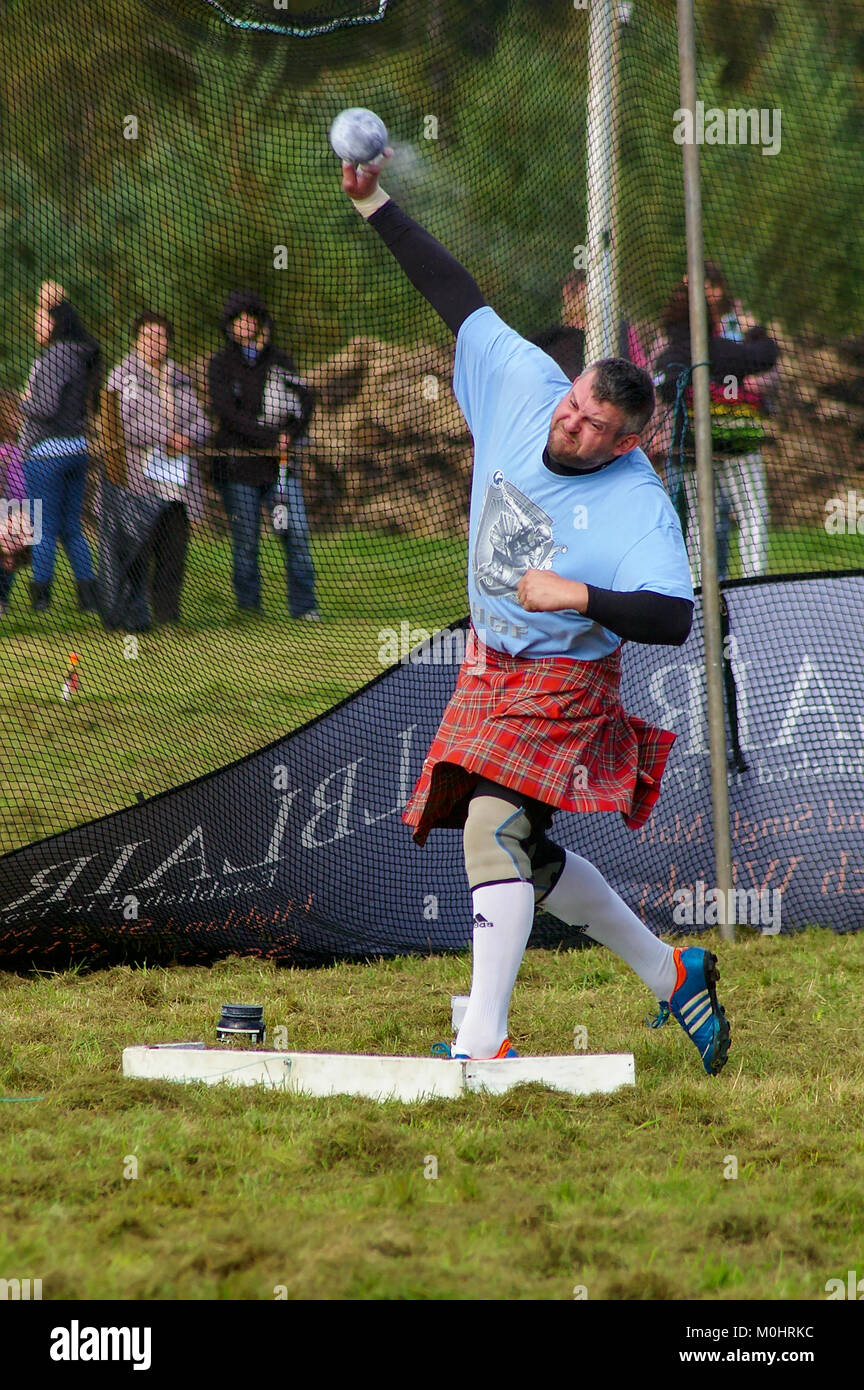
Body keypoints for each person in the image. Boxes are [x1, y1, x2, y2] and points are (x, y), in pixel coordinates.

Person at [340, 154, 731, 1076]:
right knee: (528, 852)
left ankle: (485, 1037)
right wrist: (375, 204)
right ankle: (673, 971)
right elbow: (453, 293)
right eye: (577, 404)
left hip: (563, 679)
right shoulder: (521, 382)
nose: (573, 425)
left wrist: (579, 596)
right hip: (490, 664)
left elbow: (674, 619)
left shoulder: (639, 504)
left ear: (628, 443)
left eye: (597, 426)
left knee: (489, 831)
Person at [652, 276, 779, 583]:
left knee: (699, 520)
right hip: (735, 446)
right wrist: (754, 330)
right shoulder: (719, 350)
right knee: (751, 514)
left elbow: (666, 388)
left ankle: (698, 586)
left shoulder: (670, 356)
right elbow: (766, 355)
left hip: (692, 448)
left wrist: (698, 391)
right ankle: (754, 582)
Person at [208, 290, 320, 620]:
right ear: (229, 325)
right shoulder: (221, 364)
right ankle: (248, 609)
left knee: (295, 532)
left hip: (280, 471)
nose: (245, 324)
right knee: (246, 540)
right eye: (238, 319)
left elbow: (305, 402)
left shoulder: (280, 362)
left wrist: (290, 436)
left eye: (250, 318)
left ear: (260, 322)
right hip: (238, 469)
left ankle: (305, 607)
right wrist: (270, 437)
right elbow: (227, 414)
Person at [106, 312, 211, 625]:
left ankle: (168, 616)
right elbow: (122, 423)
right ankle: (132, 616)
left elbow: (202, 420)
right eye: (149, 336)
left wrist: (187, 438)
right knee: (137, 549)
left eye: (161, 337)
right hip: (138, 480)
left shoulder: (179, 376)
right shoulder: (122, 376)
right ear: (137, 339)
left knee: (173, 551)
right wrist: (165, 437)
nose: (155, 342)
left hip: (178, 482)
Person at [19, 296, 100, 613]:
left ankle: (41, 601)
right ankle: (89, 599)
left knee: (43, 527)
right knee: (72, 528)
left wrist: (22, 400)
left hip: (46, 453)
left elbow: (46, 407)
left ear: (55, 322)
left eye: (40, 318)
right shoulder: (80, 354)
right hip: (77, 449)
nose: (35, 325)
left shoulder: (55, 355)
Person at [0, 390, 29, 615]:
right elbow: (16, 484)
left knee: (10, 558)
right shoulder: (9, 451)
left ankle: (3, 599)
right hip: (9, 508)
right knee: (8, 557)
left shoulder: (17, 448)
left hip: (14, 508)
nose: (20, 418)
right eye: (15, 414)